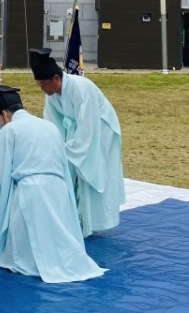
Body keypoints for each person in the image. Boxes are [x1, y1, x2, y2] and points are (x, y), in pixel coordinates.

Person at [0, 84, 106, 283]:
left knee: (26, 248)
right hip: (58, 190)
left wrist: (1, 221)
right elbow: (63, 165)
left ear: (4, 116)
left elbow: (0, 178)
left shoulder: (10, 130)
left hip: (29, 193)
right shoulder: (50, 127)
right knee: (59, 236)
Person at [28, 47, 124, 236]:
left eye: (43, 83)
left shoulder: (81, 88)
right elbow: (53, 125)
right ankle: (76, 219)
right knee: (69, 170)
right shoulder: (51, 96)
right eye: (39, 84)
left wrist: (68, 150)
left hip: (100, 129)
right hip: (77, 131)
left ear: (56, 79)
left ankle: (92, 222)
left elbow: (88, 127)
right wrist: (55, 147)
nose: (42, 88)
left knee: (89, 170)